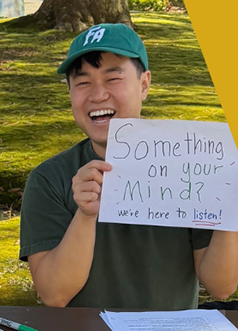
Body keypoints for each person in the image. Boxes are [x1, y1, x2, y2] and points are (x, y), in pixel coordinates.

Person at [19, 24, 238, 310]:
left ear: (144, 84)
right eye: (83, 82)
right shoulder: (49, 179)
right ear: (70, 92)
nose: (98, 95)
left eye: (113, 78)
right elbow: (54, 294)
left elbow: (221, 286)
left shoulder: (192, 166)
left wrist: (229, 208)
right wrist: (85, 216)